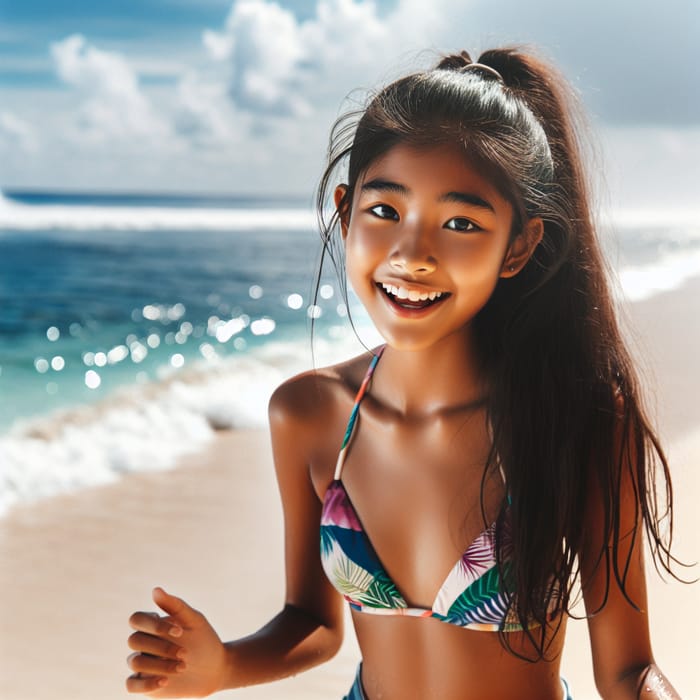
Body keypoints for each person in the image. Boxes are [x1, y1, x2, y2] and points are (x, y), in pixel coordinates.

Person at [125, 47, 685, 699]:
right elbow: (312, 622)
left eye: (460, 223)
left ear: (520, 246)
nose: (412, 254)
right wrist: (223, 666)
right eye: (386, 212)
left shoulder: (575, 415)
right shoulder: (309, 416)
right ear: (345, 212)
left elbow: (626, 672)